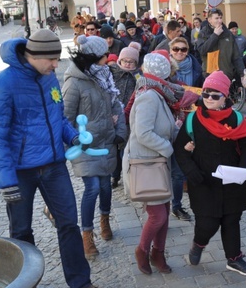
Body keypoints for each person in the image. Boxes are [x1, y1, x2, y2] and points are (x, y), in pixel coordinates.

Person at [0, 29, 112, 288]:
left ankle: (80, 285)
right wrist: (6, 182)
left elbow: (59, 117)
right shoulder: (2, 86)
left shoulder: (48, 77)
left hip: (54, 166)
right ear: (34, 56)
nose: (56, 65)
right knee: (21, 230)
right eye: (52, 59)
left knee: (68, 224)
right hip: (21, 173)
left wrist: (72, 136)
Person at [173, 71, 246, 276]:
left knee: (231, 220)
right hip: (203, 181)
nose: (209, 99)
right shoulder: (192, 119)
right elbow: (180, 150)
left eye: (215, 95)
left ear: (225, 97)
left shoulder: (236, 118)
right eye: (206, 94)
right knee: (208, 222)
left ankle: (234, 258)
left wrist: (243, 169)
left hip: (232, 179)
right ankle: (199, 243)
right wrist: (191, 171)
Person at [63, 35, 126, 259]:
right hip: (86, 145)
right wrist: (75, 141)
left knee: (106, 186)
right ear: (94, 57)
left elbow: (116, 104)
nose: (107, 58)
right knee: (93, 189)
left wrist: (120, 132)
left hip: (107, 140)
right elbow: (66, 118)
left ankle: (105, 220)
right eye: (104, 55)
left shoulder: (104, 75)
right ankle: (87, 236)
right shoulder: (74, 82)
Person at [124, 53, 179, 274]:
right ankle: (142, 250)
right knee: (158, 215)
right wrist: (168, 148)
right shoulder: (149, 95)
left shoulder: (158, 94)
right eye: (169, 72)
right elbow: (143, 133)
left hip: (156, 163)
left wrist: (175, 128)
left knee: (164, 210)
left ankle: (159, 253)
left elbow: (159, 126)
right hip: (146, 163)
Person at [109, 42, 142, 188]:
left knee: (126, 149)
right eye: (125, 61)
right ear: (120, 60)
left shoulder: (138, 76)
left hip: (129, 119)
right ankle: (114, 176)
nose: (128, 64)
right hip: (112, 117)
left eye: (131, 62)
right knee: (113, 149)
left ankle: (129, 178)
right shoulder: (111, 74)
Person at [196, 8, 244, 82]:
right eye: (216, 18)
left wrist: (242, 74)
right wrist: (215, 35)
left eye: (220, 18)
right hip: (210, 75)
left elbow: (236, 56)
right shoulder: (203, 33)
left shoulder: (228, 34)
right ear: (209, 20)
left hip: (226, 74)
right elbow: (202, 50)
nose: (219, 21)